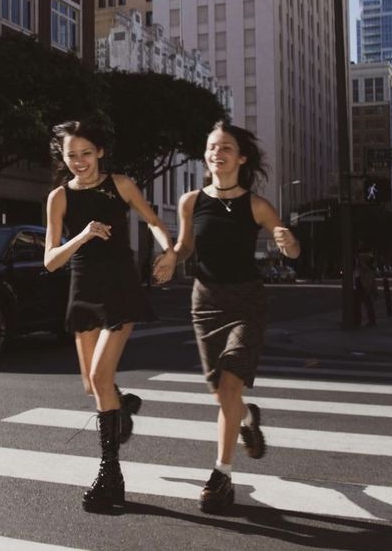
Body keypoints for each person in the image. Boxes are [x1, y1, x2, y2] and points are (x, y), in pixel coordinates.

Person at [157, 121, 300, 515]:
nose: (217, 153)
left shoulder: (257, 205)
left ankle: (221, 475)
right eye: (211, 147)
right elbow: (186, 246)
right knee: (222, 394)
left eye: (225, 148)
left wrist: (287, 242)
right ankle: (248, 416)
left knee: (232, 382)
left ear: (241, 158)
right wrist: (172, 256)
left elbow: (290, 248)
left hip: (246, 304)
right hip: (204, 302)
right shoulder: (190, 201)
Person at [44, 119, 175, 513]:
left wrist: (168, 252)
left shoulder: (121, 184)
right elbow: (51, 261)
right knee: (92, 386)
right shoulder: (59, 197)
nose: (80, 161)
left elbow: (154, 223)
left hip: (119, 287)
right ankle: (122, 406)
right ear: (62, 157)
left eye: (87, 153)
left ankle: (110, 476)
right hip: (82, 290)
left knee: (101, 378)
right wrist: (81, 236)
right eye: (71, 155)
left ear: (100, 151)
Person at [354, 252, 377, 326]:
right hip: (364, 287)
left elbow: (368, 280)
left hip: (364, 287)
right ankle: (369, 320)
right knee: (366, 304)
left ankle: (359, 320)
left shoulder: (365, 269)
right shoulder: (368, 269)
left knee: (364, 304)